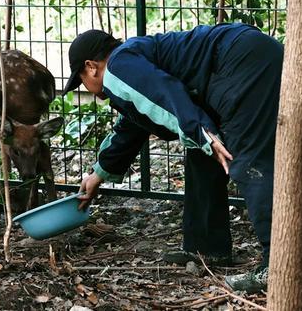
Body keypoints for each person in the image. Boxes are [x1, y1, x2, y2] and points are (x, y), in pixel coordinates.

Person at [63, 22, 283, 293]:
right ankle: (206, 249)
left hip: (242, 60)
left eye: (80, 78)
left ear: (92, 66)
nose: (85, 86)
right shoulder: (131, 62)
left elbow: (165, 93)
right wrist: (100, 173)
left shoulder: (118, 66)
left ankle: (278, 267)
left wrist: (202, 133)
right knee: (201, 155)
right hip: (245, 54)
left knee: (249, 161)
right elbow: (132, 127)